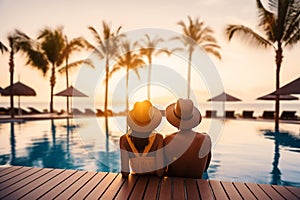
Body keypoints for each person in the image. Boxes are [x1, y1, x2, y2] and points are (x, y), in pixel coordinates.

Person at [163, 98, 212, 178]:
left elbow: (163, 170)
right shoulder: (206, 139)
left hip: (172, 186)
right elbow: (205, 169)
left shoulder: (168, 140)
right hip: (196, 187)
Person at [119, 100, 164, 178]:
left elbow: (125, 173)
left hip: (135, 183)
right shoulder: (158, 138)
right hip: (154, 184)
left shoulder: (124, 140)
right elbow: (160, 172)